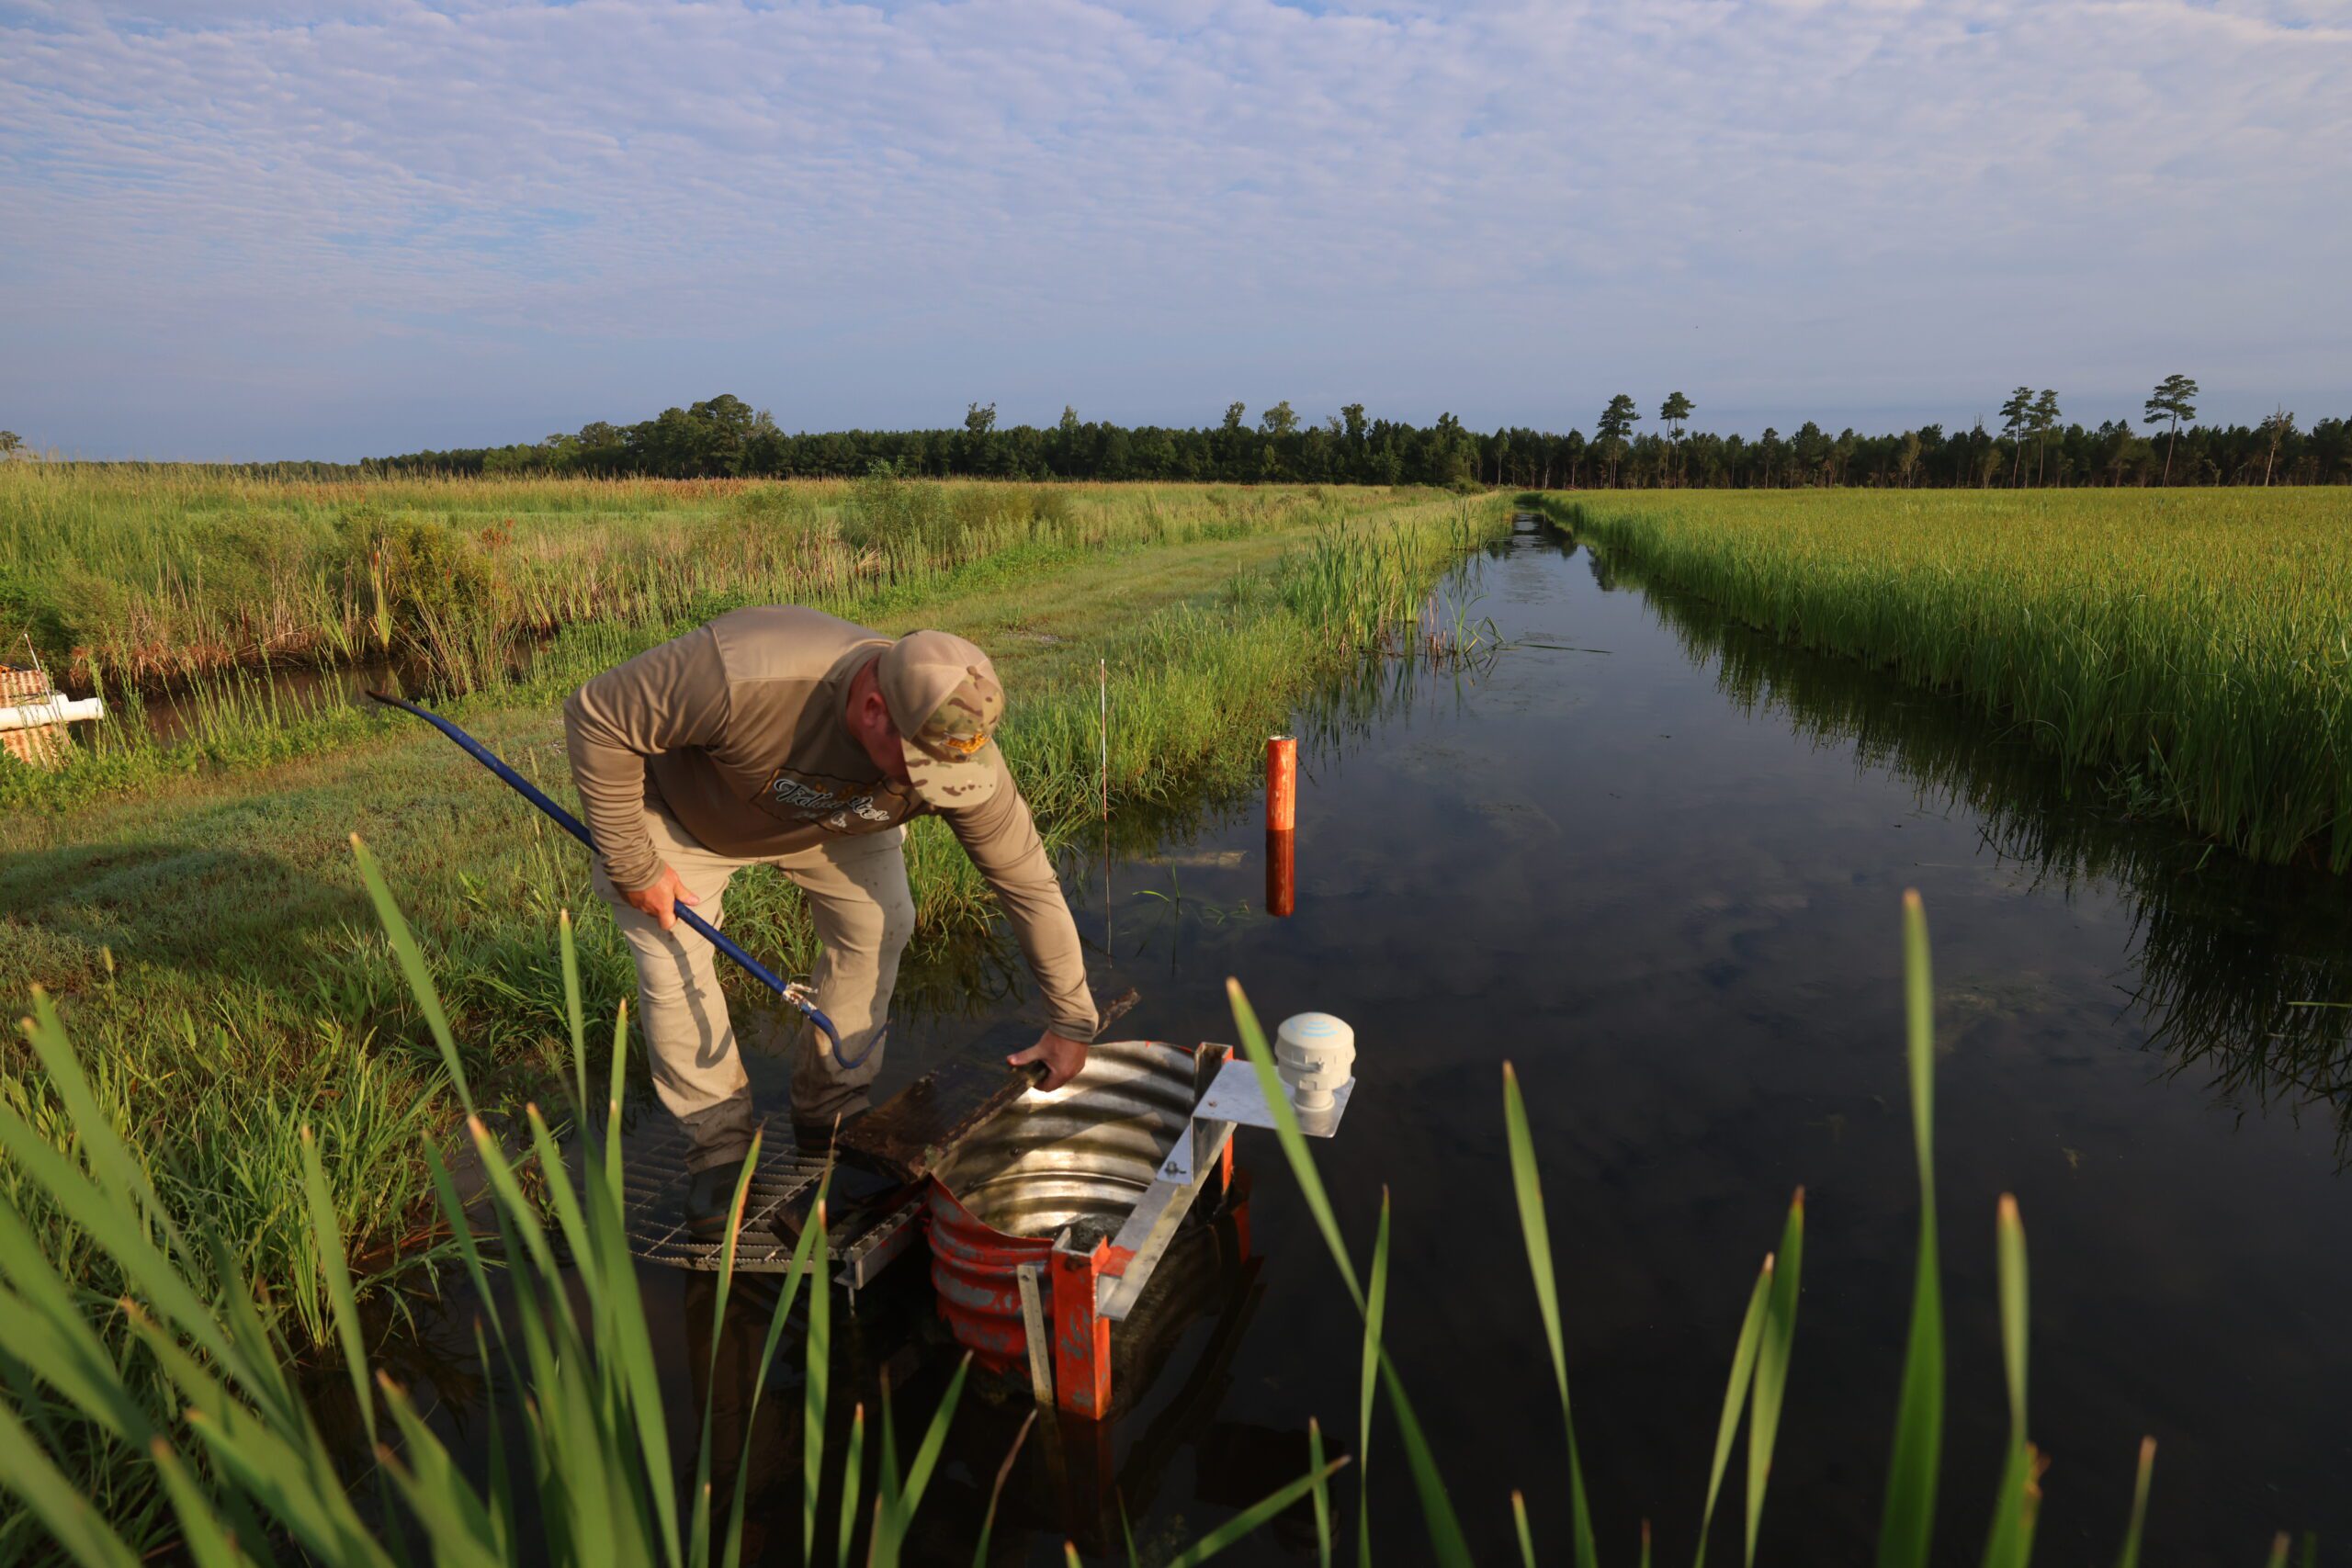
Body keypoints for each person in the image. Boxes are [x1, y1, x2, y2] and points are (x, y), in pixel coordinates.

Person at [563, 607, 1097, 1234]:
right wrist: (632, 862)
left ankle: (831, 1108)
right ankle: (718, 1151)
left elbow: (1025, 878)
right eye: (922, 766)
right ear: (873, 708)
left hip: (837, 817)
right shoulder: (744, 673)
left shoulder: (960, 751)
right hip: (690, 814)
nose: (938, 786)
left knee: (884, 920)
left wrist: (1071, 1017)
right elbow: (597, 715)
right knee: (672, 952)